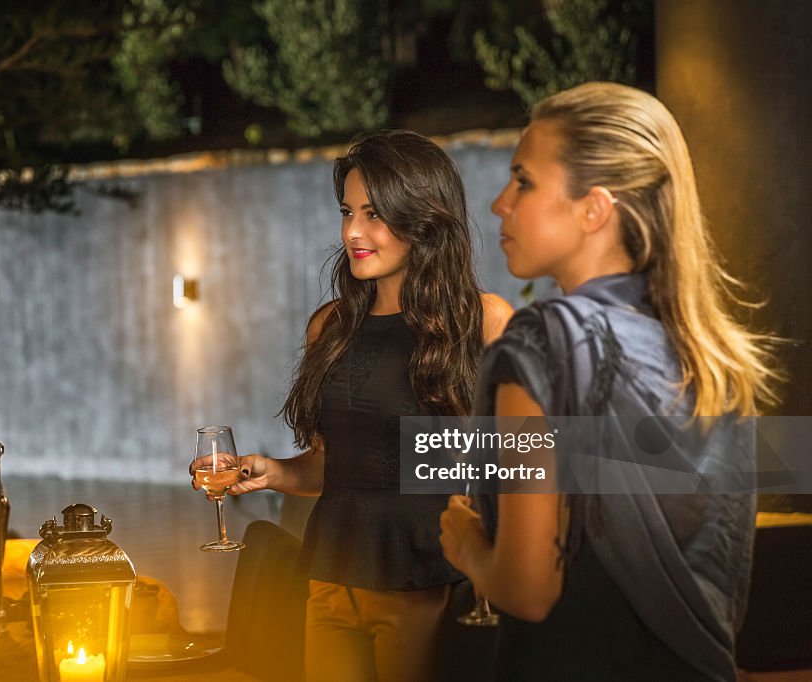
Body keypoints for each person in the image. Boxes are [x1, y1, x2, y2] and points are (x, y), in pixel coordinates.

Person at [439, 82, 780, 681]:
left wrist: (466, 542)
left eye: (523, 180)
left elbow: (526, 588)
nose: (499, 203)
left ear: (595, 208)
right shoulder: (713, 352)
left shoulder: (542, 344)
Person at [194, 129, 513, 682]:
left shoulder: (483, 320)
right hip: (331, 575)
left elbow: (514, 463)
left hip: (423, 580)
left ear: (423, 217)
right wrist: (271, 471)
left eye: (374, 214)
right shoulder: (332, 326)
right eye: (347, 211)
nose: (352, 232)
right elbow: (337, 465)